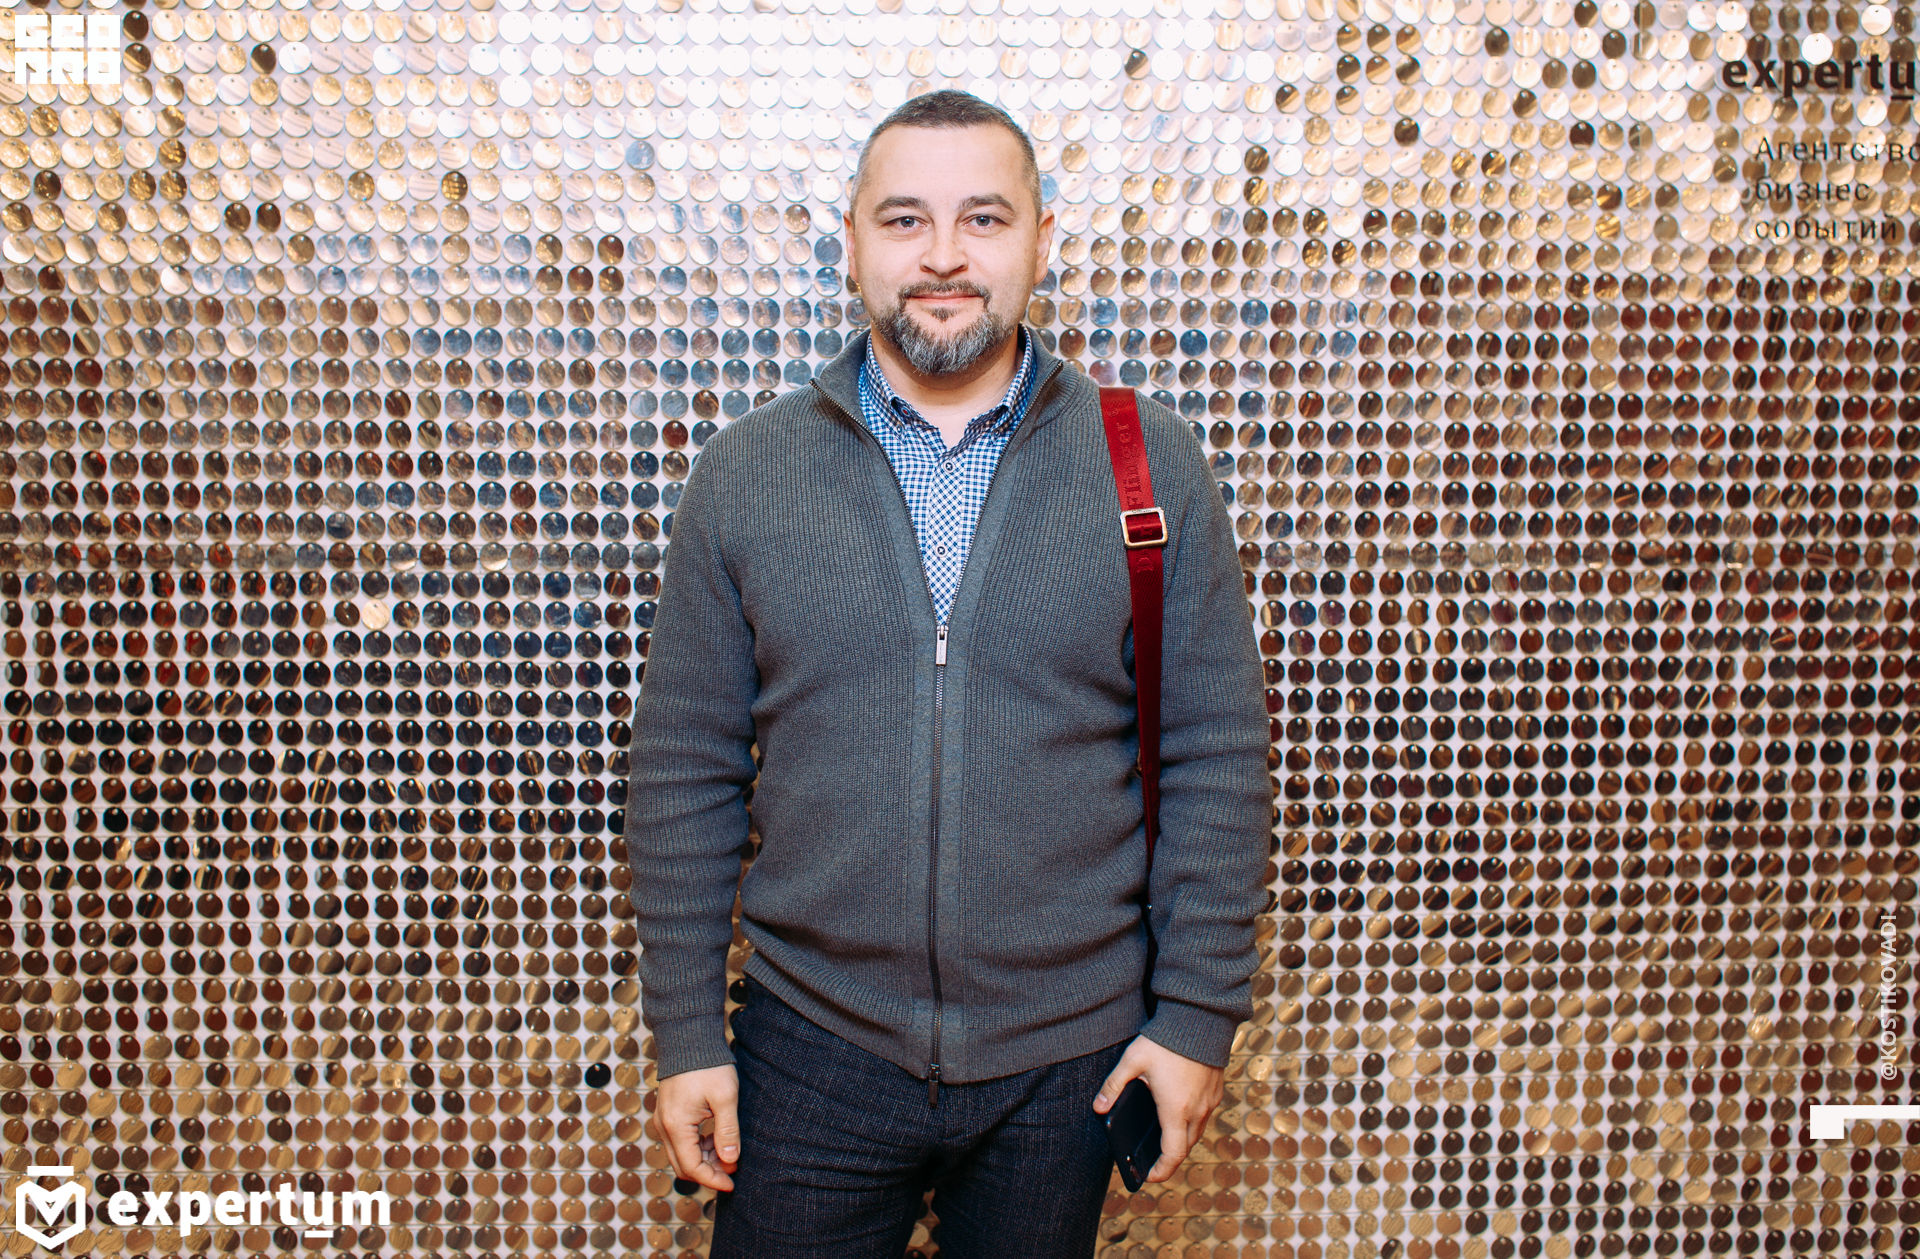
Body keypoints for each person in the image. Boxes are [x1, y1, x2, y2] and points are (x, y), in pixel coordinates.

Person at [622, 88, 1273, 1259]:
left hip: (1068, 1060)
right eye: (904, 219)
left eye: (983, 218)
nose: (943, 256)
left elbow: (1214, 753)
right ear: (854, 241)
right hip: (811, 1045)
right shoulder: (746, 472)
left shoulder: (1148, 462)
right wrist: (685, 1031)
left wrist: (1195, 1018)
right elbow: (684, 769)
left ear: (1039, 238)